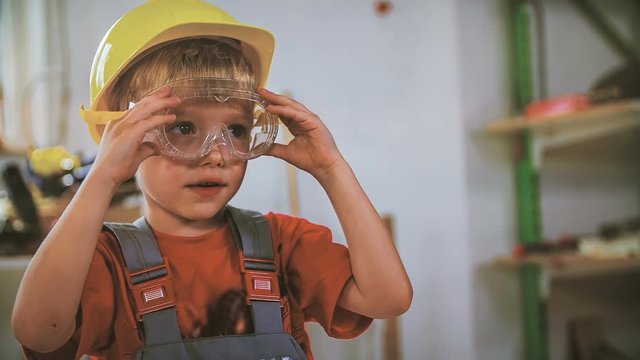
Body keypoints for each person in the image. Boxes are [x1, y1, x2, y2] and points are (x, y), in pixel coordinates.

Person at [11, 0, 413, 359]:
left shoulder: (280, 244)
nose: (216, 154)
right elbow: (37, 333)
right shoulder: (104, 260)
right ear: (125, 137)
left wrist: (332, 169)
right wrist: (101, 177)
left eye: (235, 131)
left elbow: (388, 299)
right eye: (184, 127)